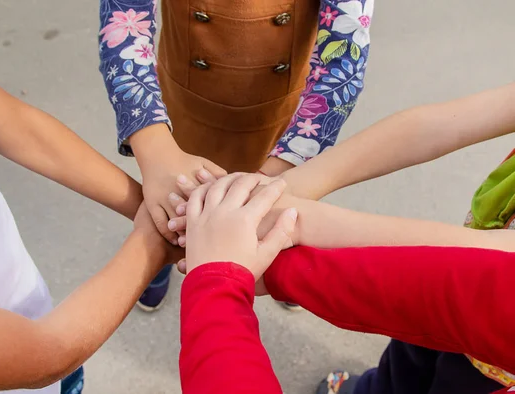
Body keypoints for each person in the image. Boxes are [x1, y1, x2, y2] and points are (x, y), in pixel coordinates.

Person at [172, 82, 515, 393]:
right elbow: (445, 123)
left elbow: (487, 278)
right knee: (409, 353)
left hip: (498, 355)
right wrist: (276, 194)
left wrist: (231, 269)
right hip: (447, 283)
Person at [0, 8, 179, 393]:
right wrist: (156, 239)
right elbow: (48, 353)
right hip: (26, 363)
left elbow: (19, 129)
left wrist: (146, 206)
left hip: (49, 317)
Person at [98, 0, 374, 311]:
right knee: (175, 191)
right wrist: (154, 148)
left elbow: (345, 59)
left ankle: (284, 251)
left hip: (286, 113)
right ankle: (167, 241)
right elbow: (123, 25)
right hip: (188, 98)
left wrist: (281, 175)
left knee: (276, 204)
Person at [176, 176, 515, 394]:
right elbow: (465, 286)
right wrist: (279, 263)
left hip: (493, 368)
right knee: (408, 359)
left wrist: (219, 282)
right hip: (471, 313)